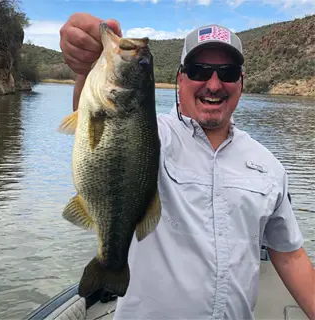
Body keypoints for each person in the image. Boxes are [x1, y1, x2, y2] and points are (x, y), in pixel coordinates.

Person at [59, 13, 315, 319]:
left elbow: (288, 255)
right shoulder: (154, 135)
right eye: (199, 70)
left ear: (241, 82)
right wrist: (84, 67)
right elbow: (100, 132)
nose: (214, 84)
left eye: (228, 72)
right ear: (180, 79)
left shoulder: (268, 165)